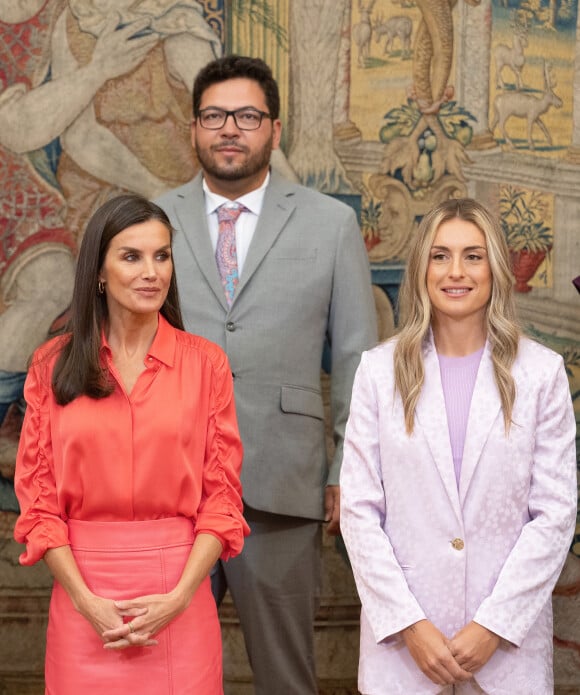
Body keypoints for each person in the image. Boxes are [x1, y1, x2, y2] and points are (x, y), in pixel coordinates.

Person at [155, 54, 378, 694]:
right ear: (193, 128)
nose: (231, 129)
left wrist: (346, 473)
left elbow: (358, 360)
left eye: (247, 116)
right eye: (214, 115)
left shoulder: (330, 223)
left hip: (283, 485)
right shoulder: (149, 218)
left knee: (286, 676)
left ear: (274, 129)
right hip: (170, 488)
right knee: (159, 670)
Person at [13, 194, 249, 695]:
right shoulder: (51, 365)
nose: (151, 272)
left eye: (162, 256)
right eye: (132, 256)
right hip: (84, 604)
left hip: (180, 602)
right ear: (98, 271)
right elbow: (38, 505)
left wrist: (182, 596)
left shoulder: (207, 365)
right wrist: (85, 600)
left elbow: (222, 499)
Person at [340, 197, 578, 695]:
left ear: (495, 268)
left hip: (505, 653)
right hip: (406, 654)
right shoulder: (378, 373)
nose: (456, 271)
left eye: (473, 255)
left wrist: (493, 626)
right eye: (440, 255)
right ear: (421, 268)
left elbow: (554, 515)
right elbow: (359, 512)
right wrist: (411, 625)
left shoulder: (541, 374)